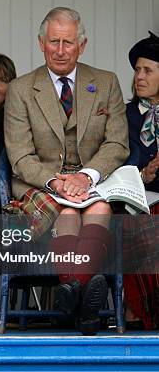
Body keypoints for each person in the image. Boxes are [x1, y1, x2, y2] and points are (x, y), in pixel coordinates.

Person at [4, 7, 129, 335]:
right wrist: (57, 182)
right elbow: (19, 156)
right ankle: (86, 305)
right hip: (42, 183)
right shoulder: (20, 89)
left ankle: (72, 290)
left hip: (94, 181)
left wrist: (86, 176)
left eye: (68, 43)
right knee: (67, 214)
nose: (60, 50)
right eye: (54, 42)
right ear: (41, 43)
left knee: (99, 207)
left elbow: (117, 144)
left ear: (82, 45)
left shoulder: (106, 82)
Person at [123, 31, 159, 330]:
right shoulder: (125, 117)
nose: (139, 77)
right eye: (137, 70)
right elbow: (115, 164)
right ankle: (143, 313)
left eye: (148, 70)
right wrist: (143, 174)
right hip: (138, 201)